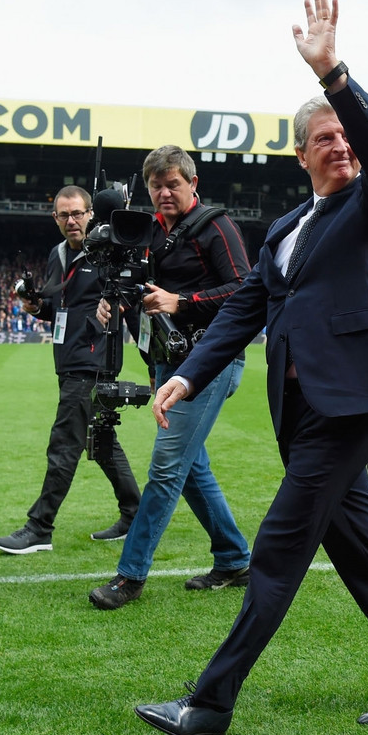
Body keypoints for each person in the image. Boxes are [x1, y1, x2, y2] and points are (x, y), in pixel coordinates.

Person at [135, 0, 368, 735]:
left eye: (345, 135)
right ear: (299, 154)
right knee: (363, 554)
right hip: (304, 410)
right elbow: (244, 310)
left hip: (352, 404)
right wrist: (189, 373)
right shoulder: (283, 230)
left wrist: (334, 75)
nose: (340, 144)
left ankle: (210, 702)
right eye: (325, 137)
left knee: (275, 550)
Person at [86, 146, 253, 609]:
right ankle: (236, 559)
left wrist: (183, 301)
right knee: (191, 468)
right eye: (156, 185)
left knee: (165, 467)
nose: (163, 193)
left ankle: (130, 576)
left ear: (192, 184)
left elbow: (247, 288)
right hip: (166, 358)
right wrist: (119, 303)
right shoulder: (150, 234)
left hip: (211, 361)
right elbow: (145, 292)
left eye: (172, 184)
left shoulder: (216, 226)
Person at [0, 186, 141, 554]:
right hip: (68, 358)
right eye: (64, 215)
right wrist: (35, 306)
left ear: (91, 213)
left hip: (93, 361)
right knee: (102, 443)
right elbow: (60, 307)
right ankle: (136, 513)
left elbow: (128, 295)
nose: (72, 221)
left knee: (65, 443)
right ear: (55, 218)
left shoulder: (108, 253)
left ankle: (39, 526)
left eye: (78, 213)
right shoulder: (57, 255)